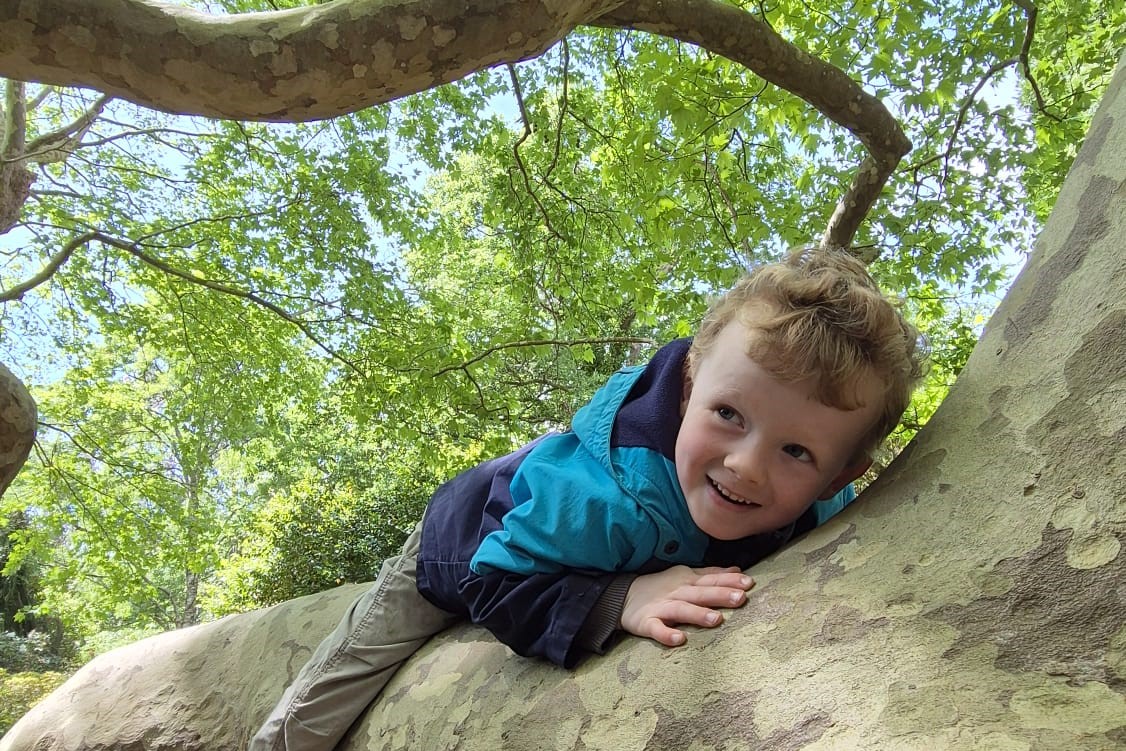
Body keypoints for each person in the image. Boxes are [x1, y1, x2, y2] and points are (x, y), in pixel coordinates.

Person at [250, 246, 924, 751]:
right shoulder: (602, 497)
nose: (746, 466)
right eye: (728, 414)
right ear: (690, 387)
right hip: (463, 546)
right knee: (340, 682)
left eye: (797, 451)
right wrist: (618, 598)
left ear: (838, 475)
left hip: (552, 543)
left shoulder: (828, 505)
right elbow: (492, 577)